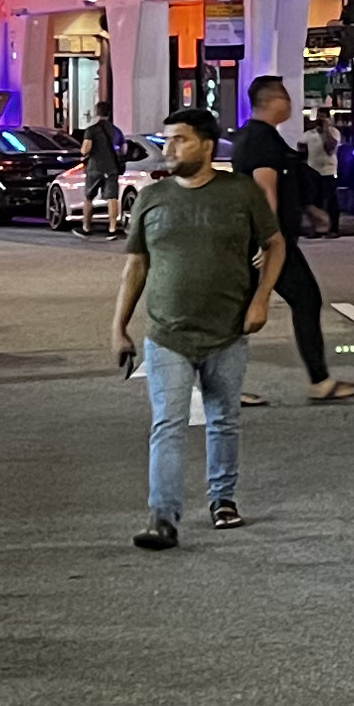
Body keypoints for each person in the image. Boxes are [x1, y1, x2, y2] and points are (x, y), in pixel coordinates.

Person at [110, 106, 282, 549]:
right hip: (167, 334)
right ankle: (162, 516)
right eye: (167, 140)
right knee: (168, 422)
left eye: (180, 140)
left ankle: (223, 498)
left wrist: (262, 299)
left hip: (227, 330)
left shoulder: (239, 193)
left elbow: (275, 244)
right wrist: (119, 327)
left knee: (224, 418)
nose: (169, 149)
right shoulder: (152, 198)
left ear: (206, 145)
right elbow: (136, 265)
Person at [231, 73, 354, 407]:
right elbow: (264, 191)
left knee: (256, 307)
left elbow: (285, 183)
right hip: (270, 242)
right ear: (273, 101)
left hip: (273, 240)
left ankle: (319, 380)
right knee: (284, 303)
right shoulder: (260, 141)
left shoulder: (261, 137)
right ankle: (316, 381)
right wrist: (266, 240)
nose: (289, 102)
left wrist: (308, 209)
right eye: (285, 96)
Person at [79, 108, 126, 235]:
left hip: (95, 168)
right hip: (112, 168)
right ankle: (112, 228)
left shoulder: (92, 130)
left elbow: (85, 149)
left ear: (96, 113)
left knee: (89, 197)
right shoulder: (117, 131)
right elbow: (123, 150)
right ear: (109, 113)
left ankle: (86, 227)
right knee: (112, 198)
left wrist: (84, 152)